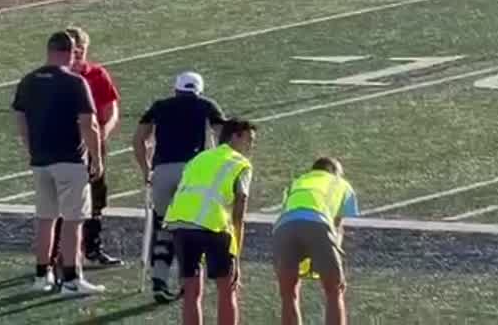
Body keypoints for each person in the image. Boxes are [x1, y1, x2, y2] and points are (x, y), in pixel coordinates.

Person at [13, 31, 105, 296]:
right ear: (71, 51)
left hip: (41, 160)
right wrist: (96, 157)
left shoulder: (29, 80)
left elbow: (20, 119)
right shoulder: (75, 82)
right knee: (73, 220)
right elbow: (89, 125)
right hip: (70, 160)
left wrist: (31, 147)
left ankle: (42, 275)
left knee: (45, 219)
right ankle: (71, 279)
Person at [135, 72, 227, 303]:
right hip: (194, 173)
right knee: (193, 228)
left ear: (176, 89)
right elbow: (222, 136)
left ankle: (159, 279)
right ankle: (189, 281)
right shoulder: (207, 106)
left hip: (163, 171)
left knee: (163, 225)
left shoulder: (160, 106)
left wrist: (147, 170)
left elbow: (139, 139)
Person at [165, 119, 258, 325]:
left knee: (191, 292)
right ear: (235, 136)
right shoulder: (240, 164)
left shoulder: (200, 158)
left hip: (181, 224)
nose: (251, 146)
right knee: (227, 290)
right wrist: (237, 257)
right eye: (249, 140)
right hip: (214, 225)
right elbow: (239, 213)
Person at [57, 27, 122, 268]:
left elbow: (111, 109)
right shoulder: (57, 77)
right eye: (74, 50)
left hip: (92, 144)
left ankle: (93, 247)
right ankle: (59, 254)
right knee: (65, 201)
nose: (78, 55)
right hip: (66, 145)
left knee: (96, 197)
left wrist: (101, 136)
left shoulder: (96, 74)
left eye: (81, 50)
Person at [272, 158, 358, 325]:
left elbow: (288, 213)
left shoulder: (297, 183)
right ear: (335, 172)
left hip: (283, 228)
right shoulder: (340, 183)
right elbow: (336, 227)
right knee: (335, 289)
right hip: (318, 224)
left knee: (288, 293)